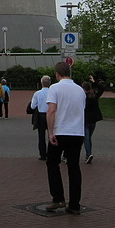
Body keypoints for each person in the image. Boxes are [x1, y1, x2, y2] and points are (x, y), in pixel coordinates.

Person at [45, 61, 86, 215]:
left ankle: (58, 198)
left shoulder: (54, 88)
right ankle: (75, 203)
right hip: (77, 132)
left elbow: (51, 111)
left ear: (57, 74)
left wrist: (50, 132)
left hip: (60, 131)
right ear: (70, 73)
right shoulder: (80, 90)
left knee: (52, 163)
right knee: (74, 167)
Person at [82, 76, 105, 163]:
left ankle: (88, 154)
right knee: (89, 138)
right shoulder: (94, 95)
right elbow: (102, 89)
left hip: (85, 120)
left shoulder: (83, 97)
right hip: (94, 119)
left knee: (86, 138)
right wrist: (94, 82)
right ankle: (89, 153)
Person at [30, 75, 51, 160]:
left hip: (41, 115)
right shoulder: (52, 92)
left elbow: (32, 106)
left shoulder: (37, 93)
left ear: (41, 83)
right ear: (50, 83)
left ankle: (43, 154)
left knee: (41, 136)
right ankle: (51, 153)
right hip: (51, 114)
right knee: (51, 134)